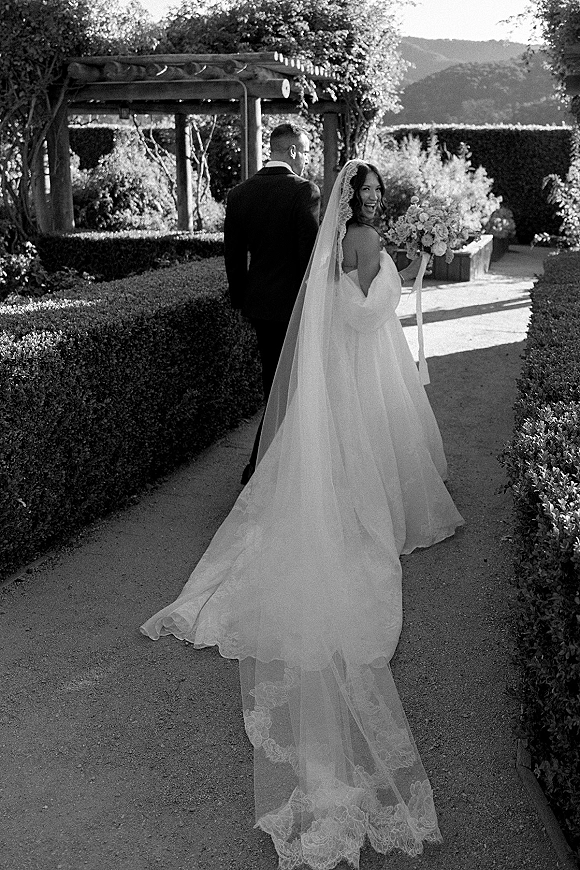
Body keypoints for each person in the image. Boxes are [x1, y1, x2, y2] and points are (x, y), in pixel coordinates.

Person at [141, 160, 464, 870]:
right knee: (375, 447)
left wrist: (394, 272)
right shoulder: (361, 238)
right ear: (351, 197)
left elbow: (337, 300)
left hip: (329, 347)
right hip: (363, 357)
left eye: (376, 190)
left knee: (342, 430)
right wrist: (399, 278)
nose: (373, 196)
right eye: (366, 190)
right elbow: (359, 310)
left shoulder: (334, 229)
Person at [224, 122, 321, 485]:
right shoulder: (304, 192)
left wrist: (242, 303)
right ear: (292, 150)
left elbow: (233, 258)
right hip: (293, 307)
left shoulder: (240, 193)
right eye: (307, 151)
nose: (308, 159)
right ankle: (257, 468)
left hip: (259, 308)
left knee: (274, 384)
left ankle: (276, 463)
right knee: (290, 388)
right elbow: (308, 256)